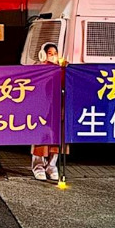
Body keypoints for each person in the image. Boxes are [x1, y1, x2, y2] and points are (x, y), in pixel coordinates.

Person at [31, 42, 65, 182]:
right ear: (44, 54)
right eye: (50, 53)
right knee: (41, 137)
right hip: (41, 107)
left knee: (56, 137)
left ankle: (52, 166)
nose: (53, 56)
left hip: (57, 106)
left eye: (55, 53)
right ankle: (38, 166)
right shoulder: (38, 69)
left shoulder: (61, 69)